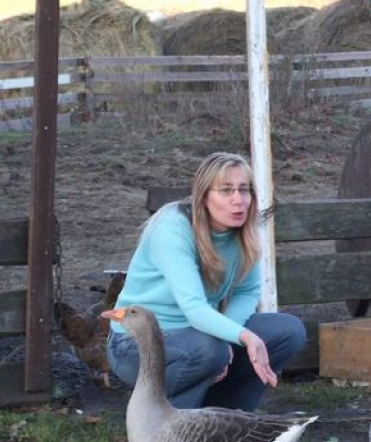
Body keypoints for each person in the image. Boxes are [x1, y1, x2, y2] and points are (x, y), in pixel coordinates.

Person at [106, 152, 306, 410]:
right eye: (226, 190)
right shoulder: (173, 228)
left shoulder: (245, 231)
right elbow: (193, 307)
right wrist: (242, 337)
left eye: (244, 190)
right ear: (203, 196)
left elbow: (248, 290)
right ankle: (169, 429)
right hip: (137, 342)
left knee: (288, 331)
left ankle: (228, 420)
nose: (238, 200)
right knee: (211, 350)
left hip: (197, 336)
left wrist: (230, 336)